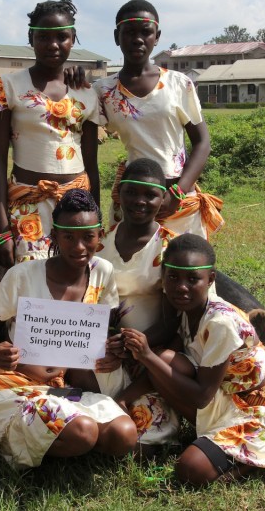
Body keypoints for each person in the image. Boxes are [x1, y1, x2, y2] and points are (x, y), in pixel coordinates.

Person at [121, 234, 265, 485]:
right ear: (163, 277)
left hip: (261, 409)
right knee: (164, 359)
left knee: (190, 470)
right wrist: (122, 398)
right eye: (173, 277)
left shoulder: (220, 322)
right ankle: (212, 441)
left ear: (211, 280)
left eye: (193, 279)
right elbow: (165, 363)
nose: (181, 287)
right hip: (228, 397)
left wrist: (146, 355)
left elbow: (201, 396)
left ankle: (250, 461)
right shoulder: (186, 309)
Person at [0, 189, 137, 468]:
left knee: (124, 436)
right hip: (18, 382)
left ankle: (58, 436)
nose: (78, 247)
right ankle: (26, 440)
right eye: (69, 237)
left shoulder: (103, 272)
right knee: (84, 433)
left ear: (100, 235)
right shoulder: (23, 275)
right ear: (54, 236)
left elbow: (103, 328)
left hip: (66, 385)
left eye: (88, 237)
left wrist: (114, 348)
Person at [93, 0, 223, 238]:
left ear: (157, 36)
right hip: (133, 198)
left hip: (178, 195)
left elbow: (202, 143)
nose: (138, 39)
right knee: (130, 271)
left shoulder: (178, 84)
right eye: (129, 32)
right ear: (116, 36)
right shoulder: (103, 91)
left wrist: (177, 193)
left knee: (181, 268)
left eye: (146, 32)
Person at [0, 0, 102, 267]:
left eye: (62, 37)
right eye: (43, 37)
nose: (53, 45)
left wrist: (95, 218)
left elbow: (92, 164)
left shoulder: (86, 91)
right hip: (28, 204)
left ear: (73, 38)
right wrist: (1, 227)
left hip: (77, 205)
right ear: (31, 38)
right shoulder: (8, 86)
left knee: (74, 283)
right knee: (29, 283)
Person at [94, 158, 179, 446]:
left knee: (147, 432)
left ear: (163, 198)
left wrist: (132, 347)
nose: (139, 201)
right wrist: (107, 343)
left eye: (150, 194)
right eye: (131, 192)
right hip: (106, 348)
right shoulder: (100, 245)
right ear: (119, 193)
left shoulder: (169, 246)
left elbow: (172, 323)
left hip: (151, 352)